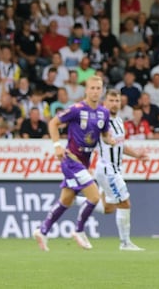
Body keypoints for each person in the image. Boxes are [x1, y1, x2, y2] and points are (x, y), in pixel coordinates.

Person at [33, 76, 115, 252]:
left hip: (85, 161)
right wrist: (57, 146)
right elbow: (54, 123)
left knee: (66, 199)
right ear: (86, 90)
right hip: (71, 160)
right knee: (94, 196)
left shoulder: (104, 113)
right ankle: (79, 230)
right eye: (92, 88)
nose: (95, 91)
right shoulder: (77, 109)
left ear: (102, 91)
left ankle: (42, 230)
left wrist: (112, 141)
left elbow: (105, 135)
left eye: (98, 88)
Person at [75, 89, 148, 250]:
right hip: (108, 170)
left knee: (108, 208)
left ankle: (74, 199)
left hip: (113, 169)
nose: (115, 104)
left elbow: (120, 144)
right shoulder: (102, 121)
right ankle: (125, 243)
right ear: (105, 102)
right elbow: (93, 139)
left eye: (117, 101)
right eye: (111, 100)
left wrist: (136, 155)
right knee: (125, 203)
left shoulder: (120, 121)